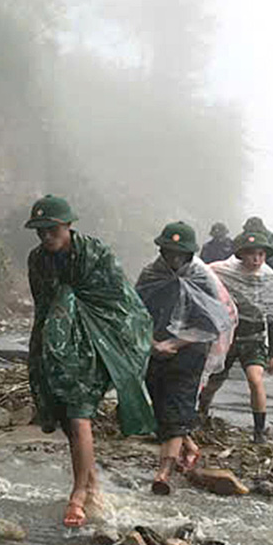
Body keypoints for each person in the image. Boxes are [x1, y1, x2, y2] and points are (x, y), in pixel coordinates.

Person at [24, 194, 157, 526]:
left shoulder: (95, 254)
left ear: (68, 225)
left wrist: (133, 344)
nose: (46, 236)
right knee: (70, 420)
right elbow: (44, 307)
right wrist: (43, 350)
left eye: (52, 229)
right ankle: (92, 485)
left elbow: (120, 300)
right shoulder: (36, 260)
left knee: (80, 415)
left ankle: (78, 495)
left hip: (95, 346)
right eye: (40, 231)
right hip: (58, 346)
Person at [134, 221, 237, 495]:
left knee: (177, 403)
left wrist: (176, 342)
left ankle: (163, 474)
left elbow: (212, 321)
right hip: (155, 349)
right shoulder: (150, 274)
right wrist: (154, 343)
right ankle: (188, 446)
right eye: (169, 252)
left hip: (190, 351)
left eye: (180, 254)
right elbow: (135, 313)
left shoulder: (201, 278)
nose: (174, 259)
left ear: (190, 254)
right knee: (160, 405)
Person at [201, 226, 273, 442]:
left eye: (261, 255)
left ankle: (258, 431)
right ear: (241, 254)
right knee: (213, 381)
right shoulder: (224, 272)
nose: (256, 259)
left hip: (254, 337)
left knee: (255, 380)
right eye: (251, 254)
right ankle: (202, 410)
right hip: (227, 336)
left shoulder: (269, 280)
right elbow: (201, 276)